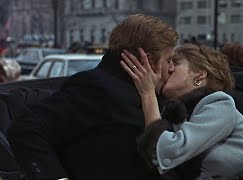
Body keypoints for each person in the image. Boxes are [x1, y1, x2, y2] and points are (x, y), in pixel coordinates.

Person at [6, 14, 178, 180]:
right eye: (169, 60)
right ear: (147, 61)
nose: (171, 68)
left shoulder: (156, 95)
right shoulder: (98, 88)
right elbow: (28, 128)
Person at [120, 44, 243, 179]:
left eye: (175, 62)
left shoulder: (219, 103)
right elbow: (159, 161)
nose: (169, 68)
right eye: (169, 62)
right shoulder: (177, 112)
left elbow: (167, 151)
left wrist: (148, 93)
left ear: (199, 74)